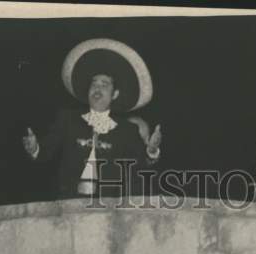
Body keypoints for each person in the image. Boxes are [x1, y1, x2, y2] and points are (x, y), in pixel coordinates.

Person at [22, 38, 161, 198]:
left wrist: (151, 150)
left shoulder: (127, 130)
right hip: (69, 204)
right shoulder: (67, 119)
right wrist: (34, 148)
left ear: (114, 94)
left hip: (106, 207)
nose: (97, 87)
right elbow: (45, 151)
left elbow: (141, 165)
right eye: (94, 83)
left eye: (104, 84)